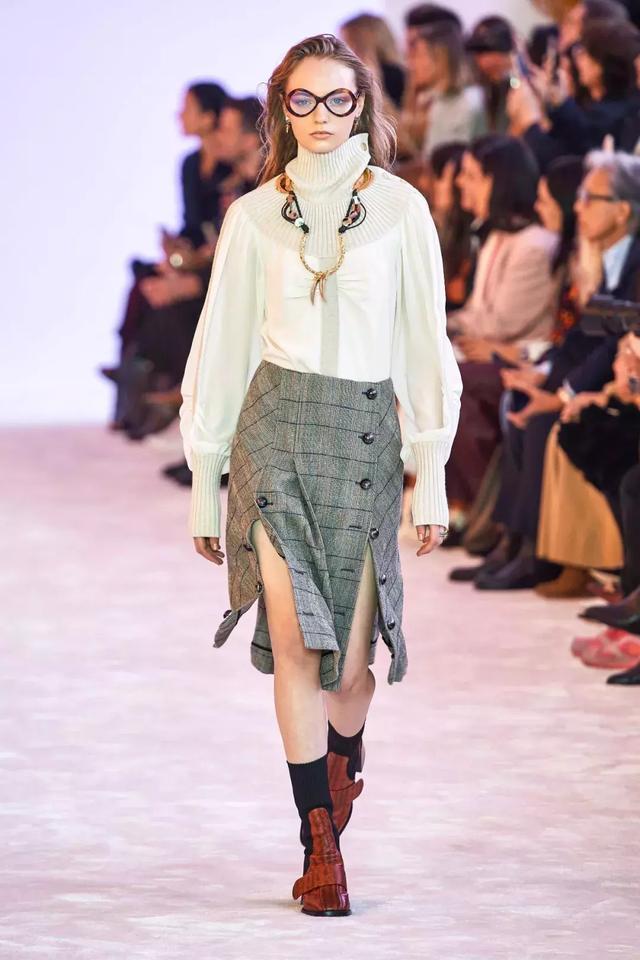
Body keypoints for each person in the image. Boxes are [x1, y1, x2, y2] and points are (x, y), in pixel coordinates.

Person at [179, 33, 462, 917]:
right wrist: (205, 477)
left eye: (339, 99)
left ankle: (343, 760)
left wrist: (431, 471)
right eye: (302, 99)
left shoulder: (403, 211)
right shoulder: (254, 216)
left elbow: (426, 346)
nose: (321, 116)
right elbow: (221, 345)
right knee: (296, 642)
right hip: (275, 430)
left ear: (363, 106)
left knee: (348, 672)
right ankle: (319, 846)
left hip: (366, 439)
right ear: (282, 108)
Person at [406, 21, 486, 159]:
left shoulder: (468, 103)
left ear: (440, 57)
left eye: (419, 55)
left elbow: (443, 162)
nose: (411, 64)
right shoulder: (436, 101)